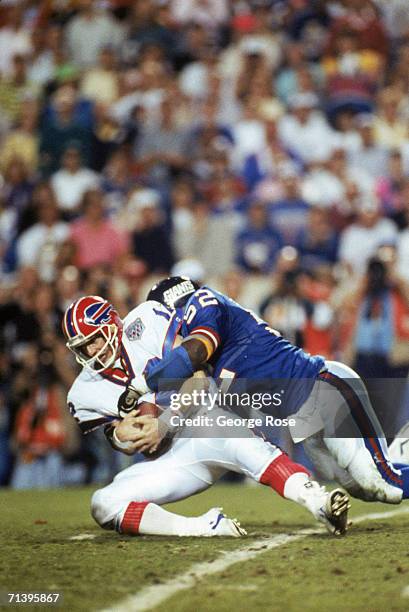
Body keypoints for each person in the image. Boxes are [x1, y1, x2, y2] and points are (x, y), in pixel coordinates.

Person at [62, 294, 350, 538]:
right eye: (83, 346)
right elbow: (115, 433)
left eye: (95, 339)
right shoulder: (83, 393)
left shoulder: (145, 322)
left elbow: (198, 376)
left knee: (252, 452)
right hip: (175, 458)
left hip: (207, 420)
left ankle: (320, 502)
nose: (92, 351)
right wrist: (120, 436)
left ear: (112, 325)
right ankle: (203, 527)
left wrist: (165, 423)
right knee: (103, 503)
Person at [132, 276, 409, 506]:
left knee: (384, 483)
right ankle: (396, 452)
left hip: (324, 388)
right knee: (361, 488)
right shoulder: (204, 350)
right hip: (303, 416)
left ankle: (392, 459)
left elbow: (194, 350)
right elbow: (198, 388)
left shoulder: (202, 301)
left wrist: (143, 383)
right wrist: (161, 425)